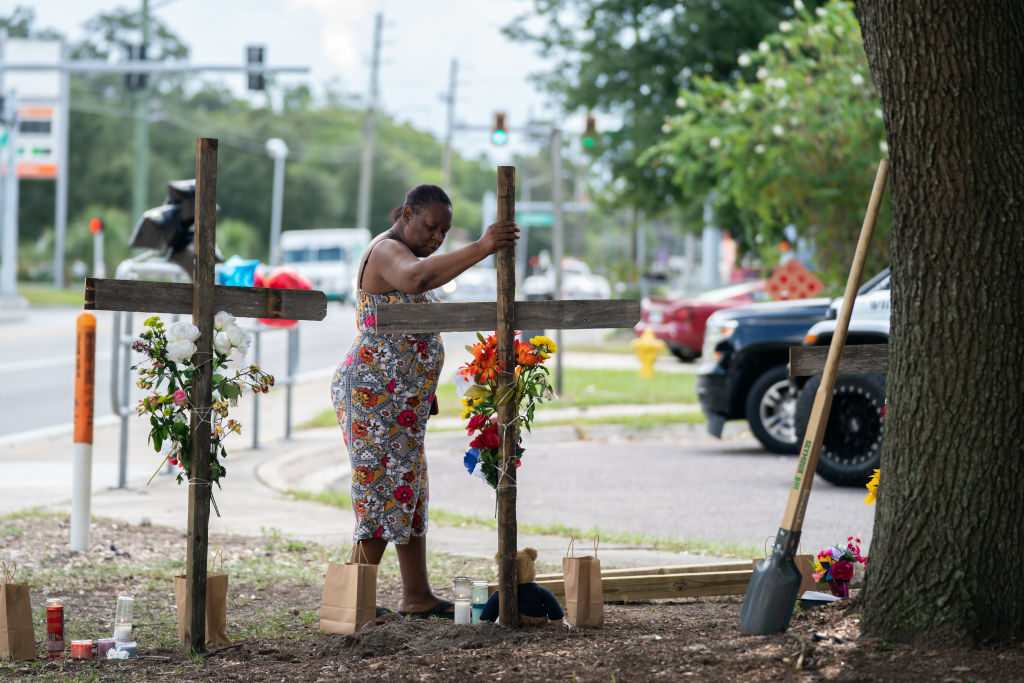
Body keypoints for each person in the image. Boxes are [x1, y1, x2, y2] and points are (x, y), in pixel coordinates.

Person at [330, 184, 518, 620]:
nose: (437, 238)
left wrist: (423, 387)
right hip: (374, 396)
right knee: (379, 493)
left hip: (401, 399)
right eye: (431, 226)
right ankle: (348, 603)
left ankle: (416, 595)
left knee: (409, 493)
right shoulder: (386, 251)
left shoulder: (406, 253)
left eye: (445, 232)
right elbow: (419, 279)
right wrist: (483, 246)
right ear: (407, 213)